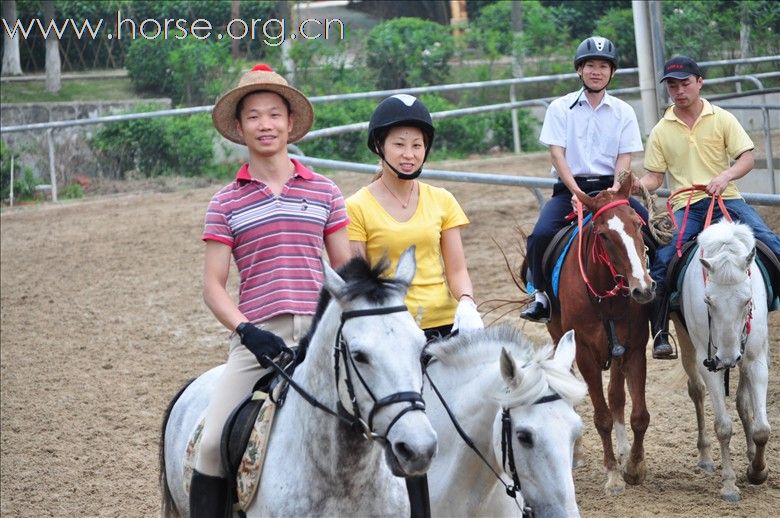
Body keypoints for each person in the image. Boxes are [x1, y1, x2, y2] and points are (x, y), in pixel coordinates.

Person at [193, 64, 351, 516]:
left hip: (324, 338)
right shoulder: (225, 202)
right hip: (258, 339)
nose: (266, 124)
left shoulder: (325, 191)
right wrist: (248, 331)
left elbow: (347, 271)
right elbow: (213, 286)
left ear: (289, 122)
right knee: (210, 446)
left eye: (274, 114)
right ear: (240, 128)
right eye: (255, 116)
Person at [639, 55, 780, 359]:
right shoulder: (661, 130)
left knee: (770, 242)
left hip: (726, 199)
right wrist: (635, 186)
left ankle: (770, 303)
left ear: (699, 82)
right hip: (685, 204)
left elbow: (746, 158)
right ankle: (661, 331)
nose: (679, 90)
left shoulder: (722, 118)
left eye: (685, 83)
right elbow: (654, 176)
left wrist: (725, 175)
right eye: (672, 85)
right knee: (664, 259)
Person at [521, 36, 648, 323]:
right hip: (571, 189)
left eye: (604, 66)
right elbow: (557, 155)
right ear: (580, 70)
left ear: (612, 72)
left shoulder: (624, 111)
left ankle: (657, 292)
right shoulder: (559, 108)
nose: (596, 71)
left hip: (610, 189)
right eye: (590, 65)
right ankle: (540, 295)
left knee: (648, 228)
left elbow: (623, 158)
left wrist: (616, 189)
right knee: (540, 235)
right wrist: (578, 193)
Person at [346, 94, 483, 342]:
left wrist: (466, 301)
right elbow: (359, 281)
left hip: (445, 322)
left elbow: (457, 269)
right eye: (399, 145)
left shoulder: (443, 200)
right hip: (391, 327)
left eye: (417, 145)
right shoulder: (356, 207)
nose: (409, 154)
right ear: (379, 145)